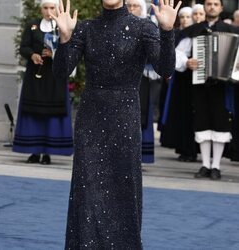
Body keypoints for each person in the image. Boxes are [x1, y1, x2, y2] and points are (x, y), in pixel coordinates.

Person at [50, 0, 181, 248]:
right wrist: (65, 38)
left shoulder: (143, 28)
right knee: (87, 189)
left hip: (125, 117)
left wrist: (166, 31)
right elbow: (61, 72)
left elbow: (165, 68)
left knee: (123, 189)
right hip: (91, 118)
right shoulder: (85, 28)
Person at [176, 0, 239, 180]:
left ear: (221, 8)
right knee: (201, 122)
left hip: (223, 86)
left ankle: (216, 166)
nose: (211, 7)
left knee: (220, 123)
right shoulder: (194, 31)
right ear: (205, 7)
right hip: (200, 84)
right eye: (209, 3)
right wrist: (187, 62)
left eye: (215, 4)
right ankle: (205, 164)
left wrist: (236, 66)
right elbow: (179, 52)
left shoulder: (232, 31)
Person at [12, 0, 73, 164]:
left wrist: (54, 54)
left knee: (51, 114)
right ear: (41, 9)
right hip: (35, 76)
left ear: (57, 8)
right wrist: (32, 55)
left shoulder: (63, 28)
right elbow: (23, 47)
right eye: (45, 8)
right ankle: (34, 152)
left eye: (51, 8)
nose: (48, 11)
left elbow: (71, 51)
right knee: (34, 113)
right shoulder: (32, 25)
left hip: (54, 78)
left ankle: (48, 153)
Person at [160, 6, 196, 162]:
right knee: (180, 113)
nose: (185, 20)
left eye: (189, 17)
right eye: (183, 17)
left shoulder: (197, 32)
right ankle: (182, 147)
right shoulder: (177, 34)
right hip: (179, 79)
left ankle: (191, 149)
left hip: (193, 80)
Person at [127, 0, 159, 164]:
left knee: (142, 115)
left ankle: (139, 156)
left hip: (143, 78)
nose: (132, 9)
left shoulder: (148, 26)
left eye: (136, 6)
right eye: (129, 6)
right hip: (122, 79)